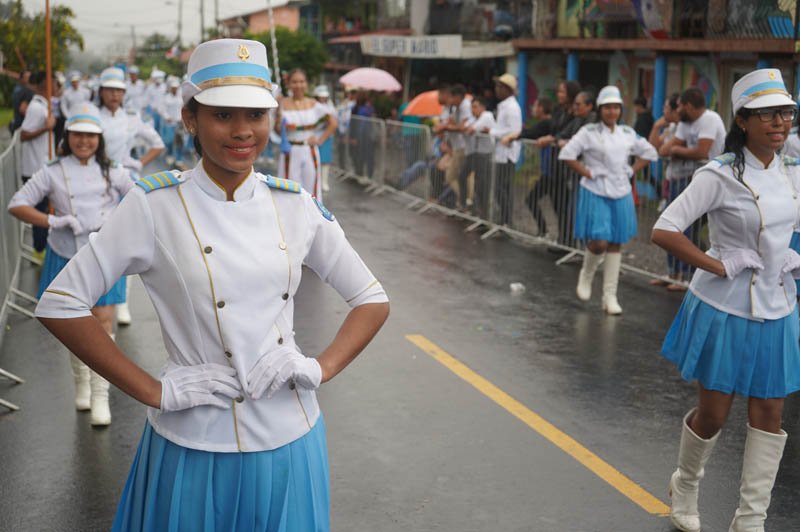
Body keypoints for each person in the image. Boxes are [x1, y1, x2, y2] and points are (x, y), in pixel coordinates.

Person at [34, 38, 389, 531]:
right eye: (222, 115)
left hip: (290, 436)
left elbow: (371, 299)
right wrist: (154, 391)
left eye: (256, 115)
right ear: (190, 118)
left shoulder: (295, 205)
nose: (242, 131)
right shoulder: (154, 206)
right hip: (192, 440)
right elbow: (61, 303)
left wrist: (318, 368)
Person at [651, 69, 800, 532]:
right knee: (714, 415)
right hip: (724, 306)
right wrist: (715, 263)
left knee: (770, 415)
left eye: (785, 113)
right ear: (742, 120)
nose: (779, 122)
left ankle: (750, 519)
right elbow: (665, 229)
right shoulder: (718, 174)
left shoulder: (792, 171)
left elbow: (787, 227)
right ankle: (686, 484)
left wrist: (790, 255)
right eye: (767, 114)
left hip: (777, 305)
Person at [9, 102, 134, 426]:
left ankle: (100, 395)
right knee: (75, 323)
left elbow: (139, 200)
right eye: (78, 135)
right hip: (65, 251)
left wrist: (116, 223)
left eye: (90, 136)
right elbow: (17, 204)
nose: (84, 141)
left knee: (103, 323)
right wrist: (54, 221)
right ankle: (81, 383)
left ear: (99, 139)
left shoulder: (113, 170)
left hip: (103, 254)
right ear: (68, 136)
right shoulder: (52, 170)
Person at [559, 86, 657, 314]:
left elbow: (650, 152)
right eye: (607, 107)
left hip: (621, 191)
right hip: (596, 190)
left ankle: (609, 296)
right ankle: (586, 274)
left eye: (616, 107)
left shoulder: (627, 133)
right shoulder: (588, 132)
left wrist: (632, 170)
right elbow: (567, 154)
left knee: (615, 243)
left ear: (620, 109)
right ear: (600, 109)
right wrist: (587, 172)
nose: (612, 112)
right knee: (599, 241)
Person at [97, 66, 165, 327]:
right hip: (95, 181)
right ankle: (97, 296)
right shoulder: (92, 115)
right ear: (101, 92)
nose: (114, 95)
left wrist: (138, 163)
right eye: (109, 90)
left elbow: (157, 144)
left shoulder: (131, 118)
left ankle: (122, 300)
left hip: (123, 181)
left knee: (125, 240)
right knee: (98, 237)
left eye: (119, 91)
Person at [648, 92, 691, 291]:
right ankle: (672, 272)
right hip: (671, 178)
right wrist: (656, 127)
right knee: (669, 225)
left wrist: (667, 148)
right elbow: (655, 147)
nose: (663, 110)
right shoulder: (672, 128)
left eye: (666, 107)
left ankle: (684, 275)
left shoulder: (683, 129)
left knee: (682, 229)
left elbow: (664, 150)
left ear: (675, 110)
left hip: (684, 179)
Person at [277, 69, 338, 198]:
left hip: (310, 150)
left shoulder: (313, 104)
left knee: (311, 190)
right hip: (290, 151)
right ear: (289, 84)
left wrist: (320, 140)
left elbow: (333, 123)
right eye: (294, 82)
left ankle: (311, 212)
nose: (298, 85)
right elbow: (277, 130)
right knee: (290, 190)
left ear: (306, 83)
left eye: (302, 81)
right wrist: (278, 115)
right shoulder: (282, 103)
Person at [20, 71, 57, 258]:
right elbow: (24, 135)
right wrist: (45, 128)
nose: (57, 87)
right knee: (39, 212)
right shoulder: (36, 108)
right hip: (34, 169)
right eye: (55, 83)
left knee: (44, 209)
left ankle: (41, 248)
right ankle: (39, 250)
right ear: (46, 84)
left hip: (42, 167)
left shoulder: (44, 105)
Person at [488, 74, 522, 226]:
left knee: (501, 188)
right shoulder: (504, 106)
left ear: (508, 89)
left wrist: (492, 132)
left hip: (507, 154)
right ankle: (504, 220)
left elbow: (514, 131)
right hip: (500, 152)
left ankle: (507, 221)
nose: (497, 89)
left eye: (500, 86)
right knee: (501, 188)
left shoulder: (512, 108)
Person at [462, 96, 496, 215]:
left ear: (482, 107)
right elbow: (466, 127)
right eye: (472, 107)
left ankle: (484, 212)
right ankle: (474, 208)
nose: (473, 110)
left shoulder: (487, 116)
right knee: (476, 182)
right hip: (477, 153)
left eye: (475, 107)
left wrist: (465, 127)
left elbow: (470, 129)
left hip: (486, 154)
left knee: (483, 184)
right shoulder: (475, 118)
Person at [313, 84, 336, 192]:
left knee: (325, 161)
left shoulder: (330, 106)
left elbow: (334, 120)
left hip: (326, 137)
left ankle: (324, 182)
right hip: (314, 136)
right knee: (315, 161)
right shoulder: (314, 105)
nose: (323, 98)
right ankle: (316, 182)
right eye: (321, 96)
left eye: (324, 96)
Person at [158, 76, 184, 166]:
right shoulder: (166, 98)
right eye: (173, 88)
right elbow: (162, 110)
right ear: (170, 88)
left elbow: (183, 109)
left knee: (179, 142)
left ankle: (179, 158)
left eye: (176, 88)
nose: (174, 89)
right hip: (169, 123)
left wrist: (182, 119)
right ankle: (169, 155)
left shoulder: (180, 98)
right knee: (169, 141)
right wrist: (167, 117)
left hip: (179, 123)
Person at [10, 69, 32, 134]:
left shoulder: (17, 88)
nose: (30, 79)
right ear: (21, 79)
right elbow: (23, 110)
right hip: (23, 125)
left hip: (16, 122)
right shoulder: (27, 90)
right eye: (28, 77)